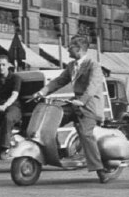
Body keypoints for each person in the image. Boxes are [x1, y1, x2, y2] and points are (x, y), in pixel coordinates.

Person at [31, 35, 112, 183]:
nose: (67, 49)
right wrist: (42, 92)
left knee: (85, 134)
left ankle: (101, 171)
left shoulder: (93, 65)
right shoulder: (71, 66)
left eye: (70, 46)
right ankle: (54, 153)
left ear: (79, 49)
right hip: (75, 104)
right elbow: (59, 81)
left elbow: (92, 87)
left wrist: (81, 101)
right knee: (50, 121)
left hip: (89, 107)